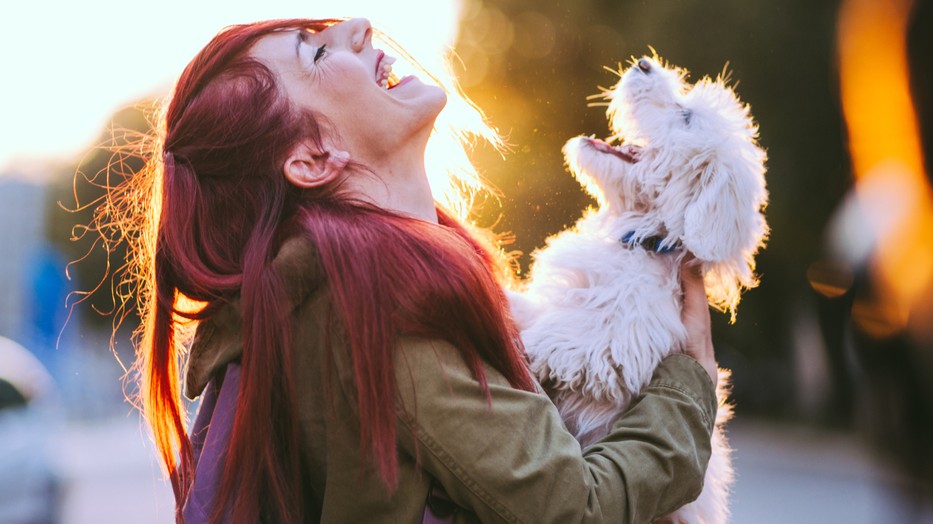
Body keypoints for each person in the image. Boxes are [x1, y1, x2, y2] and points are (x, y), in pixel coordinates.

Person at [114, 17, 719, 523]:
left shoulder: (339, 291)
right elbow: (573, 507)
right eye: (318, 52)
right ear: (313, 159)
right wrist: (689, 380)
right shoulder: (378, 307)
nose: (357, 26)